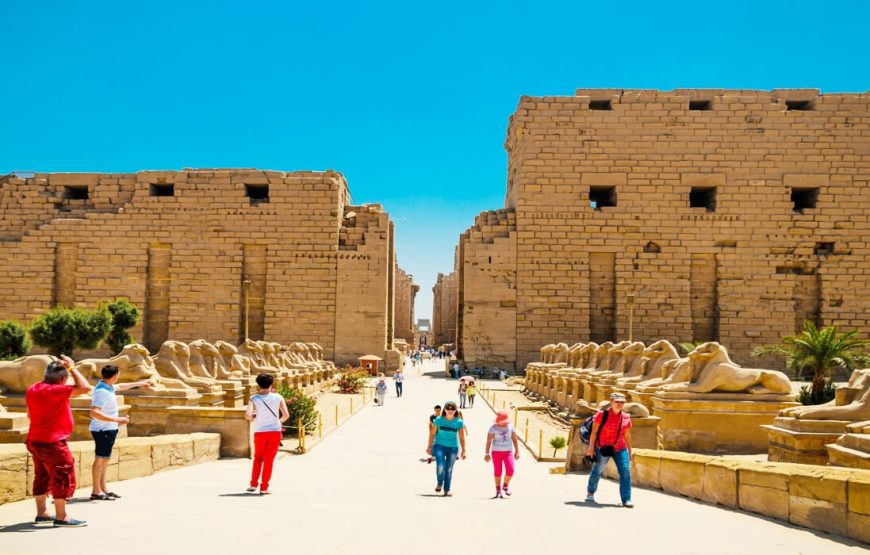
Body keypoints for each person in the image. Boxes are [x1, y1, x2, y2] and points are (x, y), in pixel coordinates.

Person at [26, 355, 92, 527]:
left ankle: (42, 513)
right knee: (63, 474)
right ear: (63, 379)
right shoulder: (56, 390)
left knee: (42, 475)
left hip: (35, 439)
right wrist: (72, 367)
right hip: (52, 442)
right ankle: (61, 517)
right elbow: (85, 387)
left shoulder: (33, 388)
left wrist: (61, 369)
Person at [89, 364, 152, 501]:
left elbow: (121, 386)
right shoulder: (101, 391)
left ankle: (103, 488)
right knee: (100, 459)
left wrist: (139, 383)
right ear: (115, 376)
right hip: (102, 429)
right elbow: (94, 412)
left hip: (109, 428)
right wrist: (117, 419)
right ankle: (95, 491)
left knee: (105, 459)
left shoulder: (108, 387)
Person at [585, 392, 634, 507]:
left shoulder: (626, 417)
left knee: (625, 471)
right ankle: (590, 492)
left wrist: (630, 451)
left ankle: (626, 499)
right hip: (602, 447)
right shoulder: (602, 415)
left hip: (620, 447)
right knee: (598, 469)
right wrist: (591, 448)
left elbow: (627, 435)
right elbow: (594, 432)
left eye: (622, 402)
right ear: (611, 401)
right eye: (617, 402)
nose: (619, 404)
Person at [244, 373, 290, 495]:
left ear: (258, 384)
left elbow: (248, 416)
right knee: (269, 460)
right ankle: (264, 487)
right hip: (274, 432)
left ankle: (253, 484)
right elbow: (286, 415)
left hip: (260, 432)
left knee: (258, 458)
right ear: (271, 384)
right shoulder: (278, 397)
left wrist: (256, 416)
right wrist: (278, 422)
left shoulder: (254, 399)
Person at [426, 401, 466, 496]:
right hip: (439, 446)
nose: (450, 410)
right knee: (440, 466)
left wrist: (464, 450)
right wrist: (429, 446)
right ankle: (440, 483)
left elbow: (461, 437)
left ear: (455, 410)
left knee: (449, 469)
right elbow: (432, 434)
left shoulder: (459, 422)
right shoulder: (438, 420)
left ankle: (447, 489)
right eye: (448, 408)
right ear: (445, 409)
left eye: (453, 409)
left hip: (452, 448)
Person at [485, 410, 520, 498]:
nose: (504, 424)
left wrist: (517, 451)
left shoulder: (511, 427)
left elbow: (515, 439)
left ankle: (505, 485)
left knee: (510, 470)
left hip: (508, 452)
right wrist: (487, 453)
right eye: (502, 422)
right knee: (498, 471)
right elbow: (489, 441)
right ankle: (498, 490)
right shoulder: (493, 428)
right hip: (496, 452)